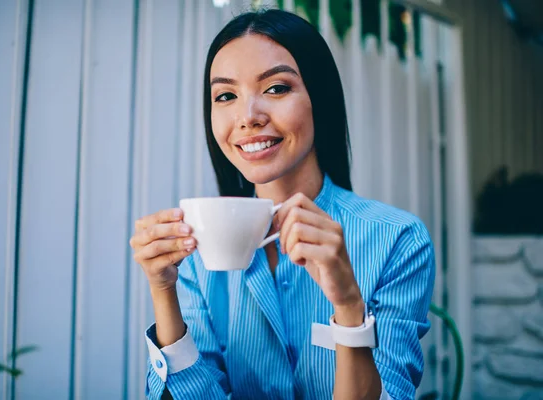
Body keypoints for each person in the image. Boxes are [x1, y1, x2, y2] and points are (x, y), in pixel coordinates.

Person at [130, 9, 434, 400]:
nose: (248, 117)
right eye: (226, 96)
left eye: (275, 88)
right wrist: (162, 291)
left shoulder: (398, 240)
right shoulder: (196, 252)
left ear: (318, 98)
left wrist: (347, 306)